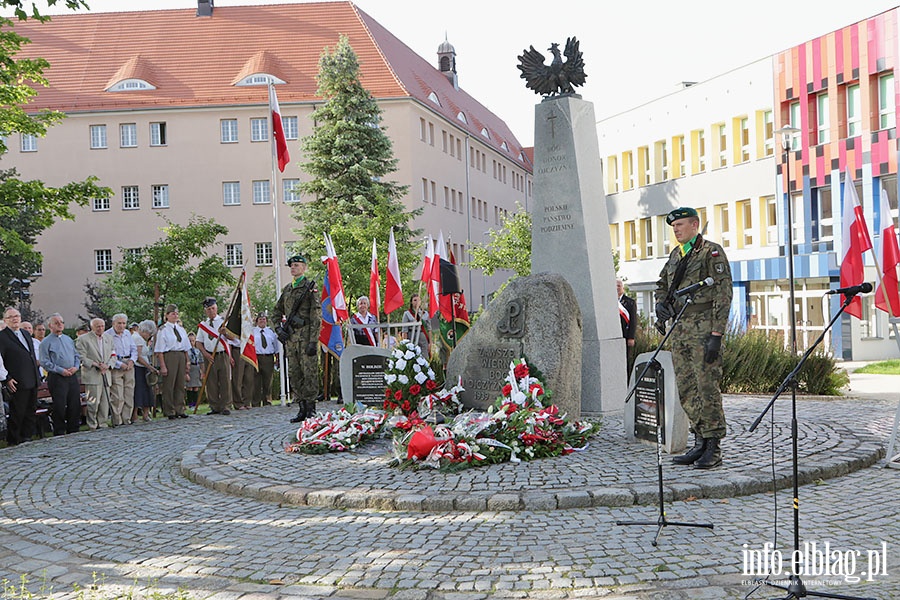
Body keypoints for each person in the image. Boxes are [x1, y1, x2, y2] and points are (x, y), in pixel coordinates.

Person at [655, 206, 733, 469]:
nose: (676, 230)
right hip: (680, 330)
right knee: (687, 388)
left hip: (703, 329)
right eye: (673, 226)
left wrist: (716, 334)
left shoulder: (711, 252)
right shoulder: (677, 255)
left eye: (680, 225)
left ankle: (713, 446)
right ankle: (699, 441)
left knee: (706, 387)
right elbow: (662, 285)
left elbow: (723, 295)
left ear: (695, 225)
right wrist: (660, 305)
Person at [272, 254, 320, 423]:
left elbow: (316, 316)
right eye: (292, 265)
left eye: (297, 265)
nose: (293, 268)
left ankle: (311, 408)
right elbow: (276, 312)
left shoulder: (310, 288)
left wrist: (314, 341)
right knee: (294, 373)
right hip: (292, 339)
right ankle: (301, 408)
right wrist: (279, 329)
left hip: (306, 337)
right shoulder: (287, 289)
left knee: (310, 373)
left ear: (304, 268)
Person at [0, 307, 41, 444]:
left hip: (32, 378)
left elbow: (31, 355)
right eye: (11, 317)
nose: (14, 319)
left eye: (16, 316)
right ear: (5, 320)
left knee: (31, 409)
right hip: (17, 380)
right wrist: (7, 378)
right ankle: (14, 439)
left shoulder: (25, 333)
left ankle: (27, 436)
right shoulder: (2, 336)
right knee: (18, 411)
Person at [38, 314, 82, 435]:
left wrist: (76, 367)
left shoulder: (68, 339)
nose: (60, 324)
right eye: (56, 322)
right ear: (50, 326)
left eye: (61, 322)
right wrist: (61, 370)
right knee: (59, 405)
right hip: (57, 377)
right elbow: (44, 362)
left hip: (72, 375)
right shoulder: (46, 342)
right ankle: (60, 430)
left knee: (74, 403)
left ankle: (74, 429)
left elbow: (76, 356)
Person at [75, 317, 116, 430]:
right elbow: (81, 356)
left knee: (104, 401)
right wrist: (96, 364)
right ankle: (92, 423)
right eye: (97, 326)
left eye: (102, 326)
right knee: (93, 401)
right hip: (92, 373)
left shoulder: (108, 338)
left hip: (106, 372)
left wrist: (108, 365)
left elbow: (113, 354)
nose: (100, 328)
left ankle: (102, 422)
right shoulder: (83, 339)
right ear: (92, 327)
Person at [153, 304, 191, 420]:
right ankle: (169, 410)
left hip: (180, 355)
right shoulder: (163, 330)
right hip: (169, 355)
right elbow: (159, 350)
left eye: (176, 313)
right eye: (172, 313)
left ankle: (180, 408)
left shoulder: (181, 329)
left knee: (180, 384)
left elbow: (186, 347)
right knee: (169, 384)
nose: (175, 315)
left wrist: (187, 362)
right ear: (167, 316)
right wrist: (163, 366)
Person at [195, 297, 232, 416]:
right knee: (211, 382)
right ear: (205, 311)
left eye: (213, 308)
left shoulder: (223, 322)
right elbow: (198, 342)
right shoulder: (203, 325)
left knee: (225, 380)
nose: (211, 311)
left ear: (216, 308)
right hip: (209, 355)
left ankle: (226, 405)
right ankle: (214, 406)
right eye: (208, 309)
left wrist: (225, 333)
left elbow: (233, 338)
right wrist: (205, 354)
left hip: (222, 354)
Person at [105, 313, 138, 426]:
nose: (122, 326)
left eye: (124, 323)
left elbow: (133, 348)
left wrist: (132, 360)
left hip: (129, 364)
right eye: (119, 323)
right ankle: (117, 420)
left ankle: (126, 419)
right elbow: (107, 353)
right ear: (113, 323)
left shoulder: (128, 333)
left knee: (129, 393)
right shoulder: (107, 335)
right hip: (116, 365)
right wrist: (119, 364)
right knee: (118, 395)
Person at [132, 319, 157, 422]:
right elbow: (138, 356)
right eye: (149, 334)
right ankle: (135, 416)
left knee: (146, 391)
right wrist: (149, 367)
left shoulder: (140, 339)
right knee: (139, 392)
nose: (149, 336)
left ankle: (146, 414)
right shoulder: (137, 339)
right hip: (139, 368)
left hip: (143, 367)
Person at [252, 314, 278, 407]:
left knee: (268, 381)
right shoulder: (253, 331)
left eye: (264, 319)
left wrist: (277, 358)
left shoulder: (270, 332)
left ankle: (267, 401)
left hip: (268, 357)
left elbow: (275, 346)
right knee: (256, 381)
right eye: (260, 319)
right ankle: (256, 402)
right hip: (256, 357)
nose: (262, 321)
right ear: (257, 321)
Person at [617, 278, 637, 380]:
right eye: (615, 286)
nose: (617, 288)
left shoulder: (630, 302)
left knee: (625, 360)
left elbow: (633, 321)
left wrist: (631, 337)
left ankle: (627, 381)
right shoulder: (609, 302)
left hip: (626, 335)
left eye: (619, 286)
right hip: (614, 335)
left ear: (623, 288)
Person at [401, 293, 430, 358]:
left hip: (422, 335)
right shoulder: (407, 314)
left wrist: (430, 342)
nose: (417, 302)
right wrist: (405, 343)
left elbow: (429, 329)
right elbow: (404, 330)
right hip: (412, 335)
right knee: (413, 356)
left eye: (418, 300)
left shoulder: (425, 314)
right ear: (411, 302)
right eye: (415, 300)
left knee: (424, 356)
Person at [186, 332, 203, 409]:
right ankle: (190, 403)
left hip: (196, 367)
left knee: (196, 386)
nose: (191, 342)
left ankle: (196, 403)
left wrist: (202, 371)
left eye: (193, 341)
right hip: (190, 367)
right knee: (189, 386)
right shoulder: (186, 351)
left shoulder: (197, 350)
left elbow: (201, 360)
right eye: (189, 341)